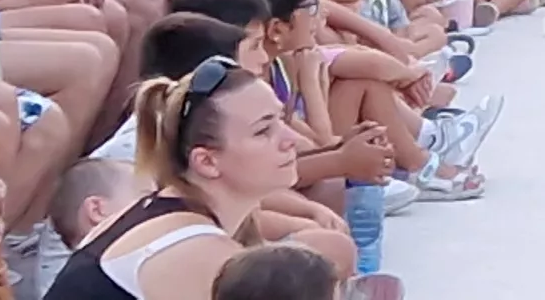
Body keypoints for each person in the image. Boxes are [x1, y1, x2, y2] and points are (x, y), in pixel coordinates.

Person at [45, 61, 351, 300]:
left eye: (281, 120)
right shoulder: (200, 254)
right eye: (263, 131)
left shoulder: (170, 213)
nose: (291, 140)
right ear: (206, 161)